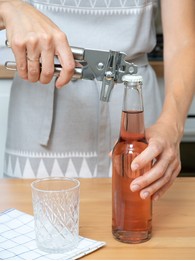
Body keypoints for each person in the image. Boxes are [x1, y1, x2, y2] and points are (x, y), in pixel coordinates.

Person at [0, 0, 195, 201]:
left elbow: (183, 41)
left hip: (136, 117)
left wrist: (171, 127)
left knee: (139, 220)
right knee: (29, 222)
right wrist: (10, 7)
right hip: (38, 118)